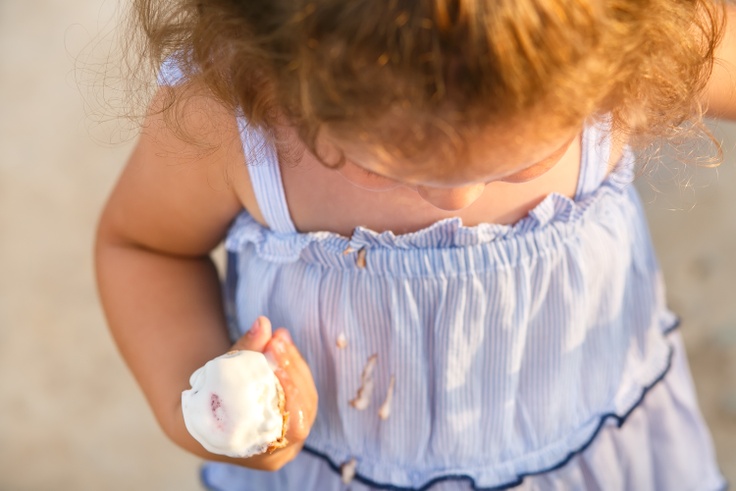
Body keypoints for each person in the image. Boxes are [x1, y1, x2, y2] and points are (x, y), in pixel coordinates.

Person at [95, 1, 736, 489]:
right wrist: (208, 411)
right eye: (383, 166)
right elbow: (145, 248)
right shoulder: (234, 112)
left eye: (522, 161)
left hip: (597, 450)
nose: (453, 200)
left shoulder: (626, 47)